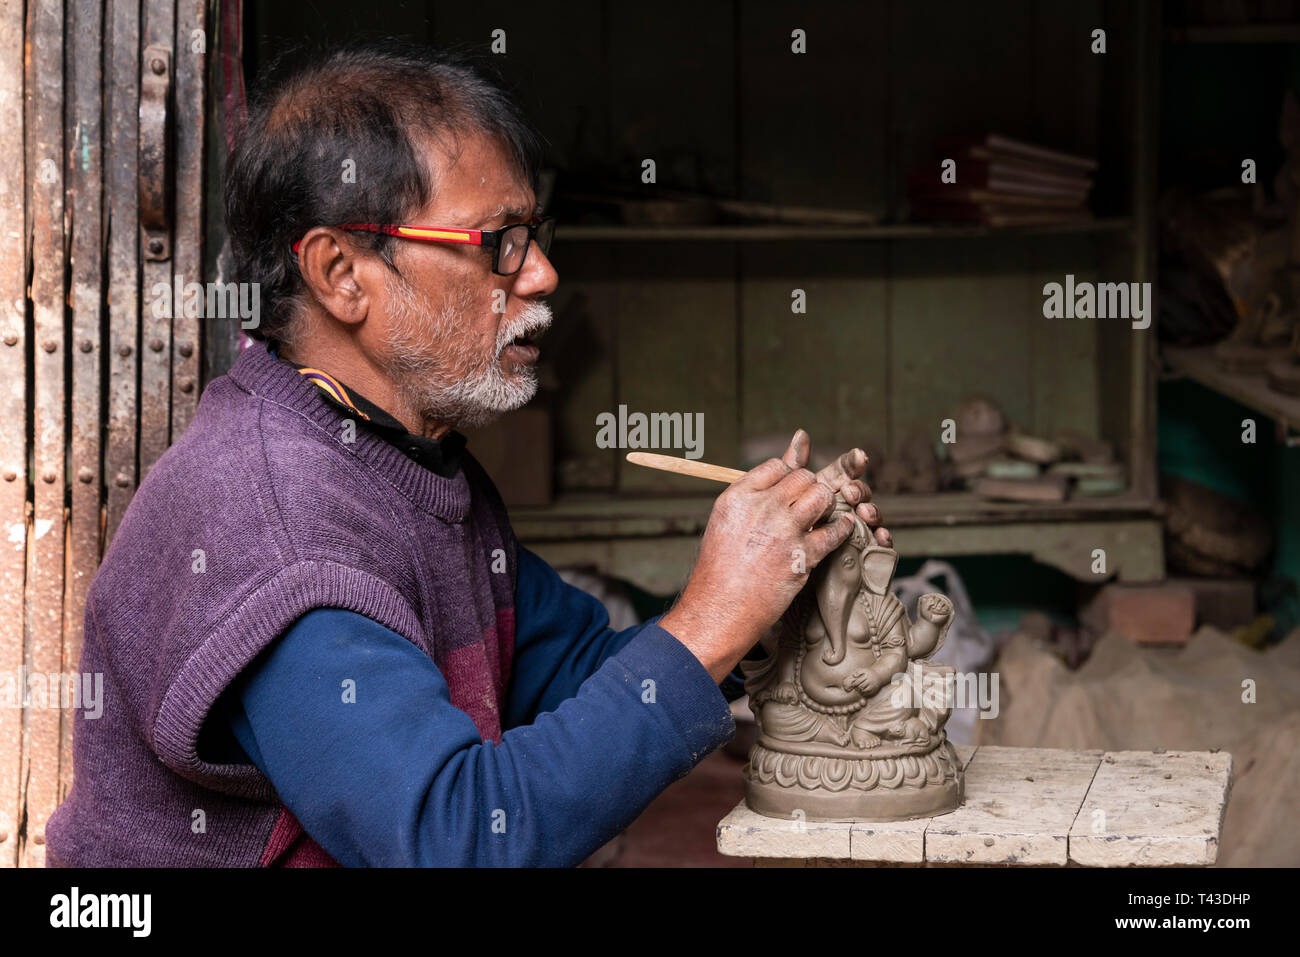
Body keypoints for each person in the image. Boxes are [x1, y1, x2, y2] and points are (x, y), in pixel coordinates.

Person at [46, 40, 890, 867]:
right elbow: (457, 837)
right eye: (500, 242)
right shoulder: (278, 528)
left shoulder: (413, 456)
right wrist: (704, 622)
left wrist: (756, 611)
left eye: (535, 233)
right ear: (342, 272)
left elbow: (573, 677)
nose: (543, 275)